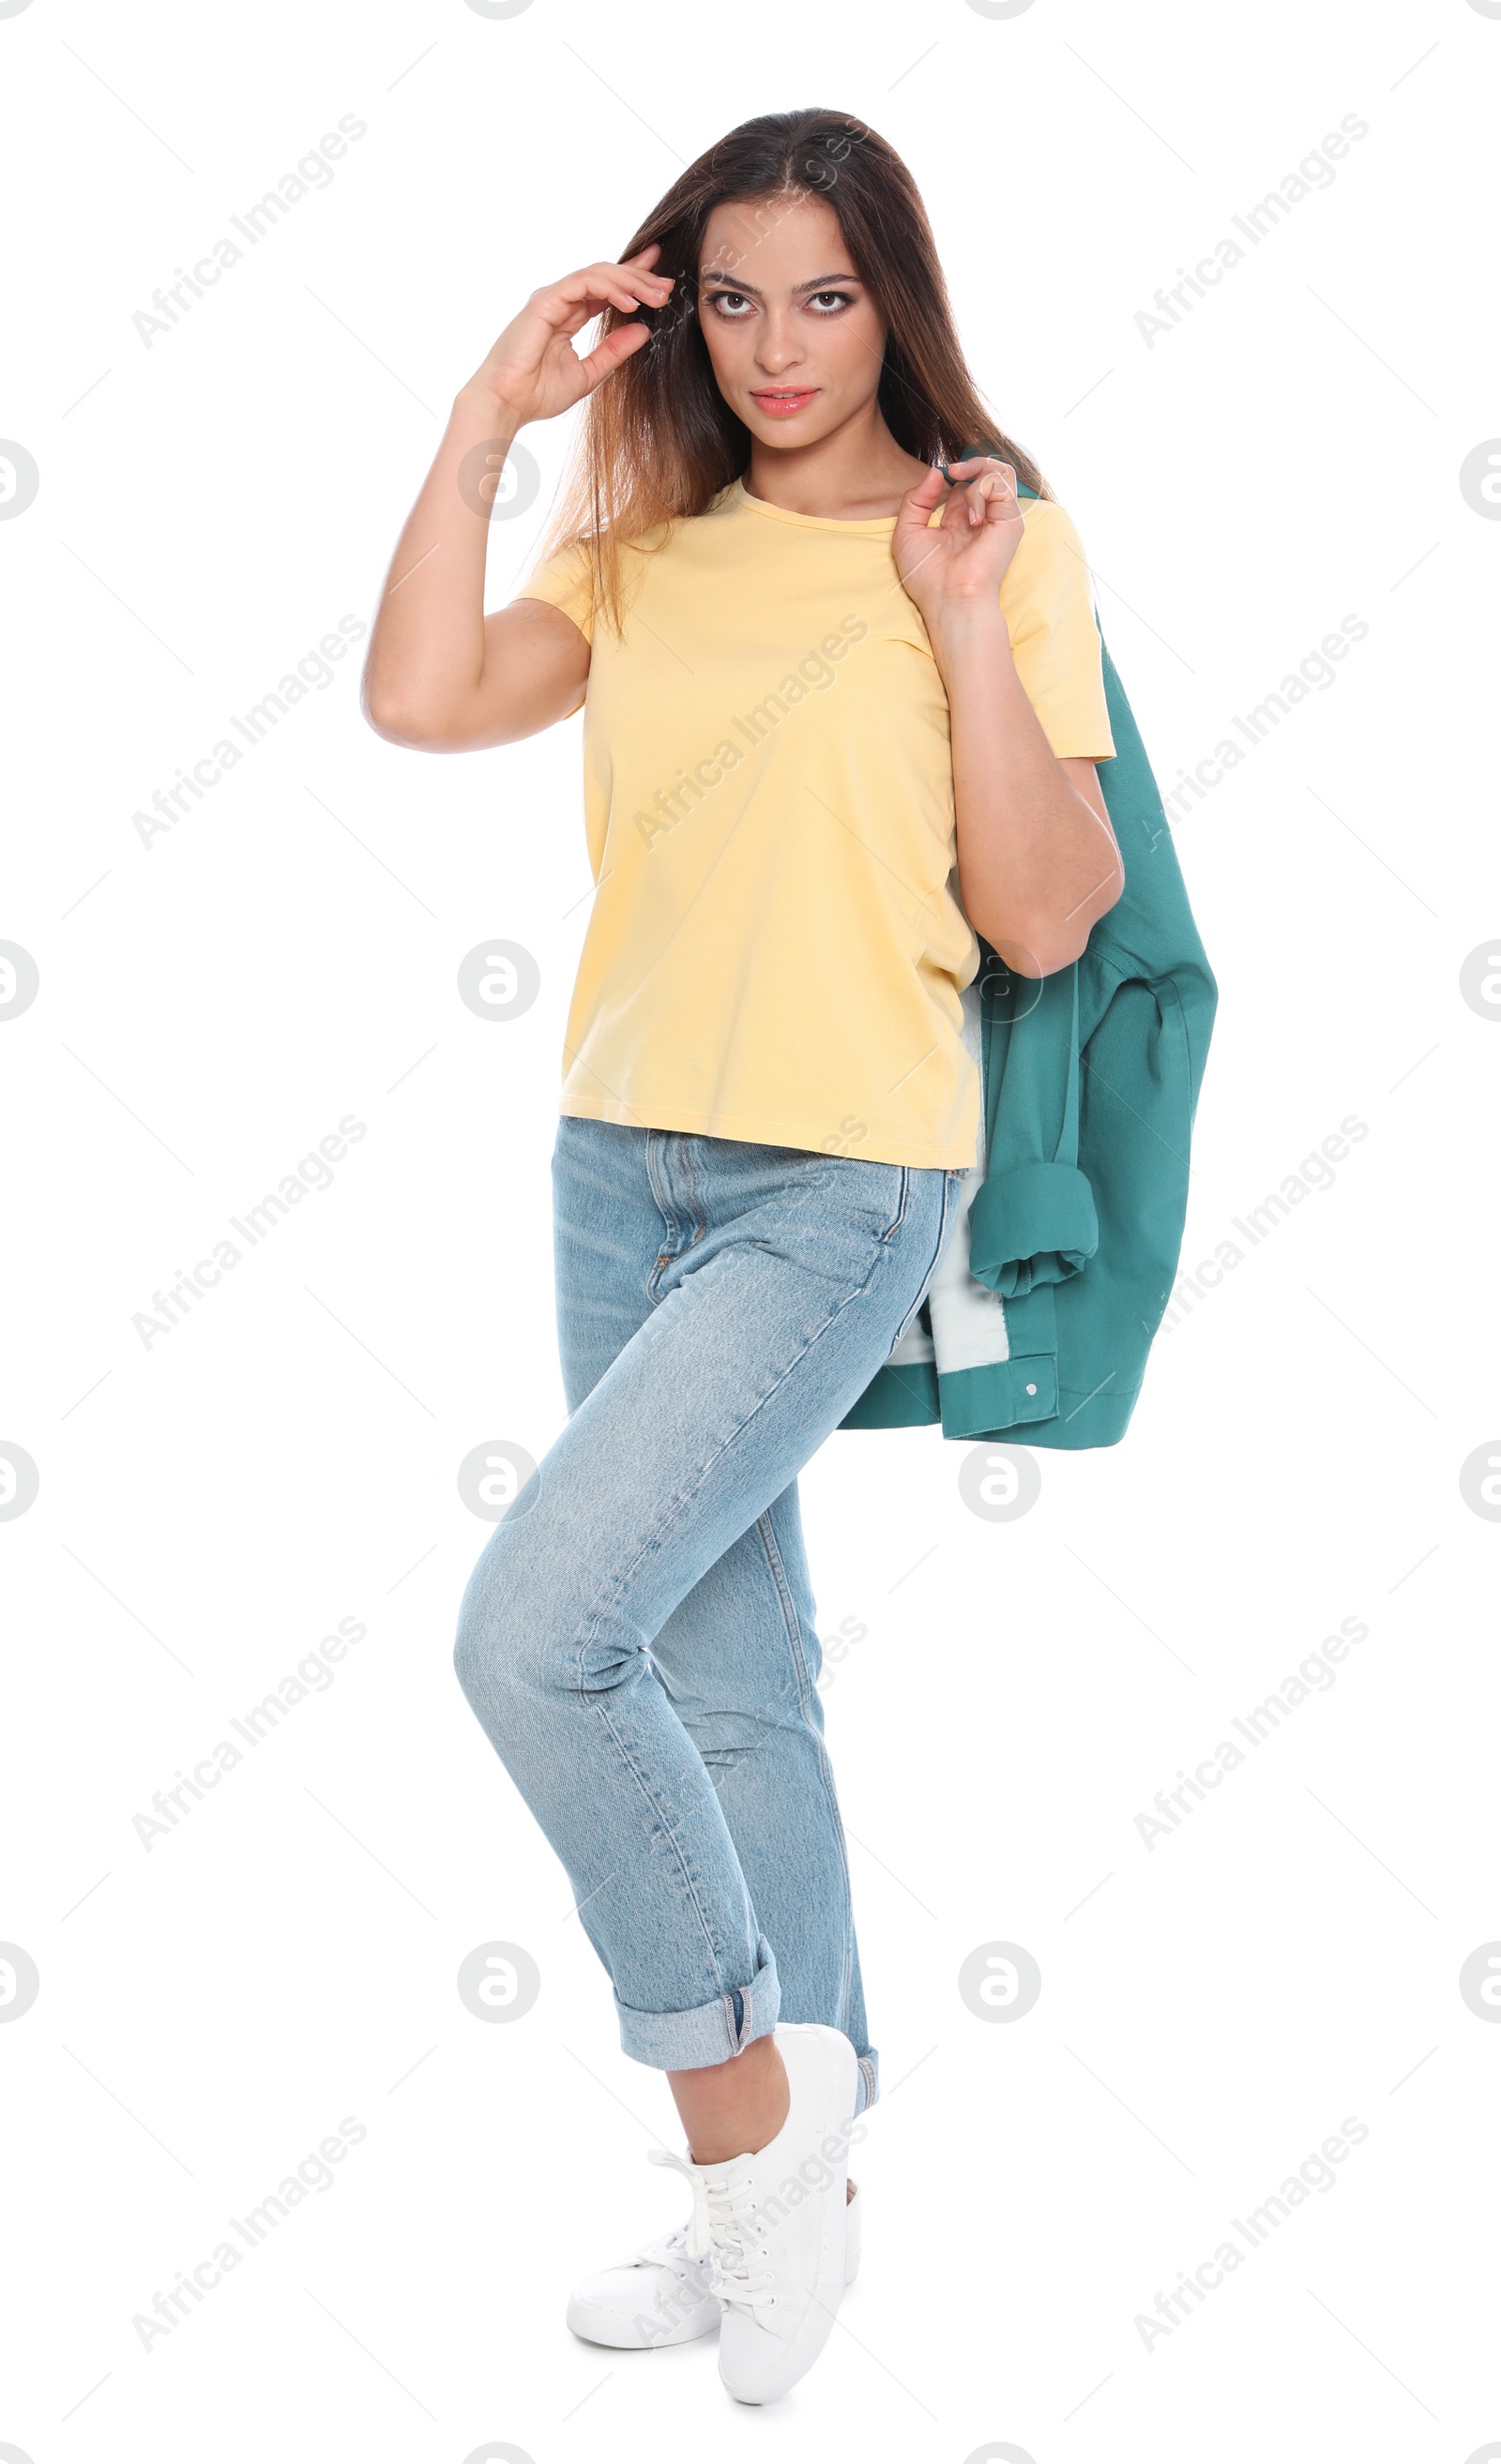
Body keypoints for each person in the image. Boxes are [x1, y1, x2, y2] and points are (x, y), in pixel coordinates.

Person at [362, 105, 1123, 2407]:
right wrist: (485, 422)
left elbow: (1041, 910)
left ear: (892, 297)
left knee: (534, 1636)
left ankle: (742, 2140)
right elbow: (416, 699)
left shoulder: (986, 538)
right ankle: (804, 2203)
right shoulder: (643, 539)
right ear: (668, 310)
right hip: (621, 1158)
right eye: (728, 298)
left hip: (838, 1179)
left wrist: (961, 621)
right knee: (721, 1679)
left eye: (823, 294)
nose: (776, 346)